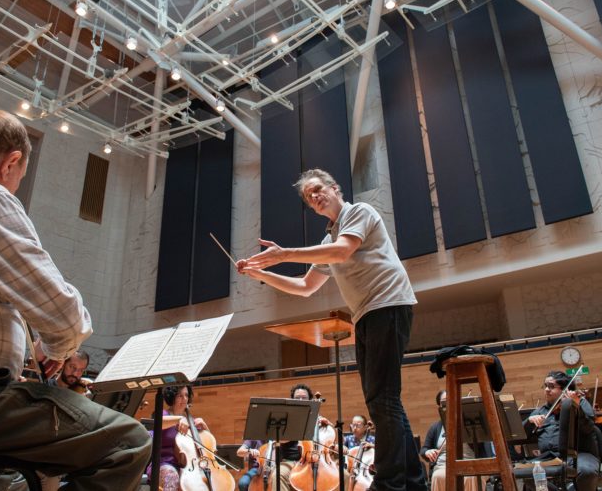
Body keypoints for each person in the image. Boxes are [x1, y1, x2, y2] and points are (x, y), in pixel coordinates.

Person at [0, 108, 151, 491]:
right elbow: (64, 316)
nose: (14, 188)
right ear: (11, 163)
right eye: (18, 180)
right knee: (126, 442)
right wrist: (57, 347)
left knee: (1, 482)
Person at [237, 168, 426, 491]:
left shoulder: (359, 213)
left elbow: (342, 250)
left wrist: (284, 254)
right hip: (366, 314)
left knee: (383, 400)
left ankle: (390, 483)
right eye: (309, 197)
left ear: (335, 188)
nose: (315, 196)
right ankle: (413, 482)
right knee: (383, 401)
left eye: (318, 189)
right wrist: (261, 275)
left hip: (389, 304)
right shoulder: (328, 239)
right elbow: (305, 286)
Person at [523, 371, 600, 491]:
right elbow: (520, 435)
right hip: (548, 457)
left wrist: (576, 406)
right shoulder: (540, 411)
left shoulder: (580, 402)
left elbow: (588, 427)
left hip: (578, 454)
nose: (547, 389)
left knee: (586, 471)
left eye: (551, 386)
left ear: (565, 389)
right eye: (545, 386)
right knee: (526, 473)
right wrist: (529, 421)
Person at [420, 391, 487, 491]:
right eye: (444, 402)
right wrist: (427, 451)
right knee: (438, 476)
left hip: (470, 464)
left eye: (451, 400)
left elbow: (483, 443)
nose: (449, 404)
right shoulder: (435, 427)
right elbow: (424, 450)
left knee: (471, 477)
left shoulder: (470, 422)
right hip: (443, 466)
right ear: (439, 406)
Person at [148, 385, 210, 491]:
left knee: (203, 481)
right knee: (172, 476)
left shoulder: (189, 422)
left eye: (186, 395)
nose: (184, 399)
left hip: (187, 466)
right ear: (172, 397)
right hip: (163, 464)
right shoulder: (163, 415)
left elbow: (205, 447)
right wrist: (179, 419)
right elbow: (157, 423)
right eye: (180, 396)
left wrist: (206, 429)